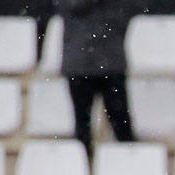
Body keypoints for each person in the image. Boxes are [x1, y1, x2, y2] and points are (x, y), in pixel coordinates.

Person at [56, 0, 135, 157]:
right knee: (82, 127)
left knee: (121, 125)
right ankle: (82, 171)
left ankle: (129, 169)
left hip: (109, 61)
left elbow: (129, 10)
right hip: (81, 63)